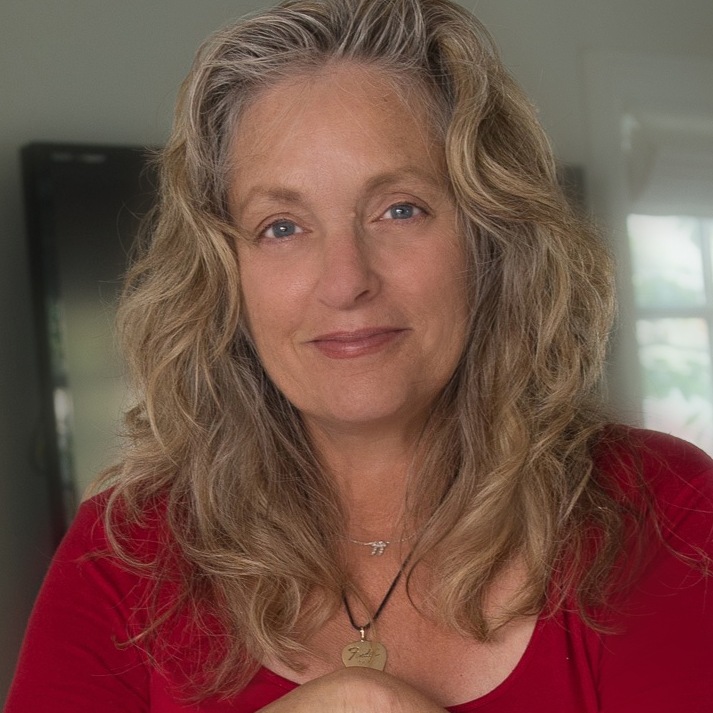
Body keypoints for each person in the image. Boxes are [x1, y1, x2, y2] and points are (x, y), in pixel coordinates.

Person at [6, 0, 713, 711]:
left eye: (399, 209)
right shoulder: (123, 556)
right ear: (224, 276)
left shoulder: (667, 514)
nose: (345, 281)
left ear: (492, 239)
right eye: (281, 226)